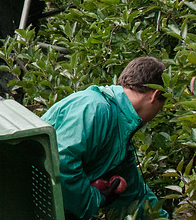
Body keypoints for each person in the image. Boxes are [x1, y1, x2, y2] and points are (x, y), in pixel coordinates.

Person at [42, 56, 169, 220]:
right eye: (160, 107)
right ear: (155, 95)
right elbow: (61, 164)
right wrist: (94, 198)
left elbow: (134, 193)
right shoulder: (95, 108)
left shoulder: (120, 127)